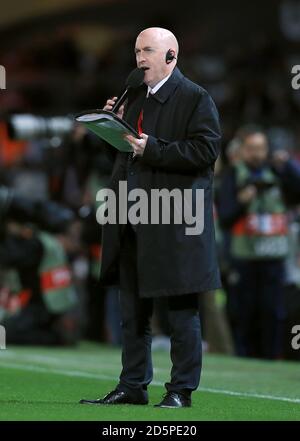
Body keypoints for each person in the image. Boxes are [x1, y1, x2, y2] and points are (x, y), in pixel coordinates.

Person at [80, 27, 221, 408]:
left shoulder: (195, 98)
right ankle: (132, 386)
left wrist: (151, 148)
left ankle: (180, 391)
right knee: (132, 313)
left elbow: (205, 151)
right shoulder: (136, 97)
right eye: (137, 50)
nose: (139, 58)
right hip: (132, 215)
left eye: (147, 51)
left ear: (171, 57)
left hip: (174, 220)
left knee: (179, 313)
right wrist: (115, 125)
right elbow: (126, 157)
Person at [217, 125, 300, 359]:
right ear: (242, 150)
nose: (257, 154)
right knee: (244, 312)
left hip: (274, 256)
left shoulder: (277, 172)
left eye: (261, 148)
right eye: (252, 148)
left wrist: (289, 165)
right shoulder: (234, 175)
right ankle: (244, 356)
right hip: (244, 257)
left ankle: (271, 357)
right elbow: (224, 217)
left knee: (273, 311)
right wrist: (242, 201)